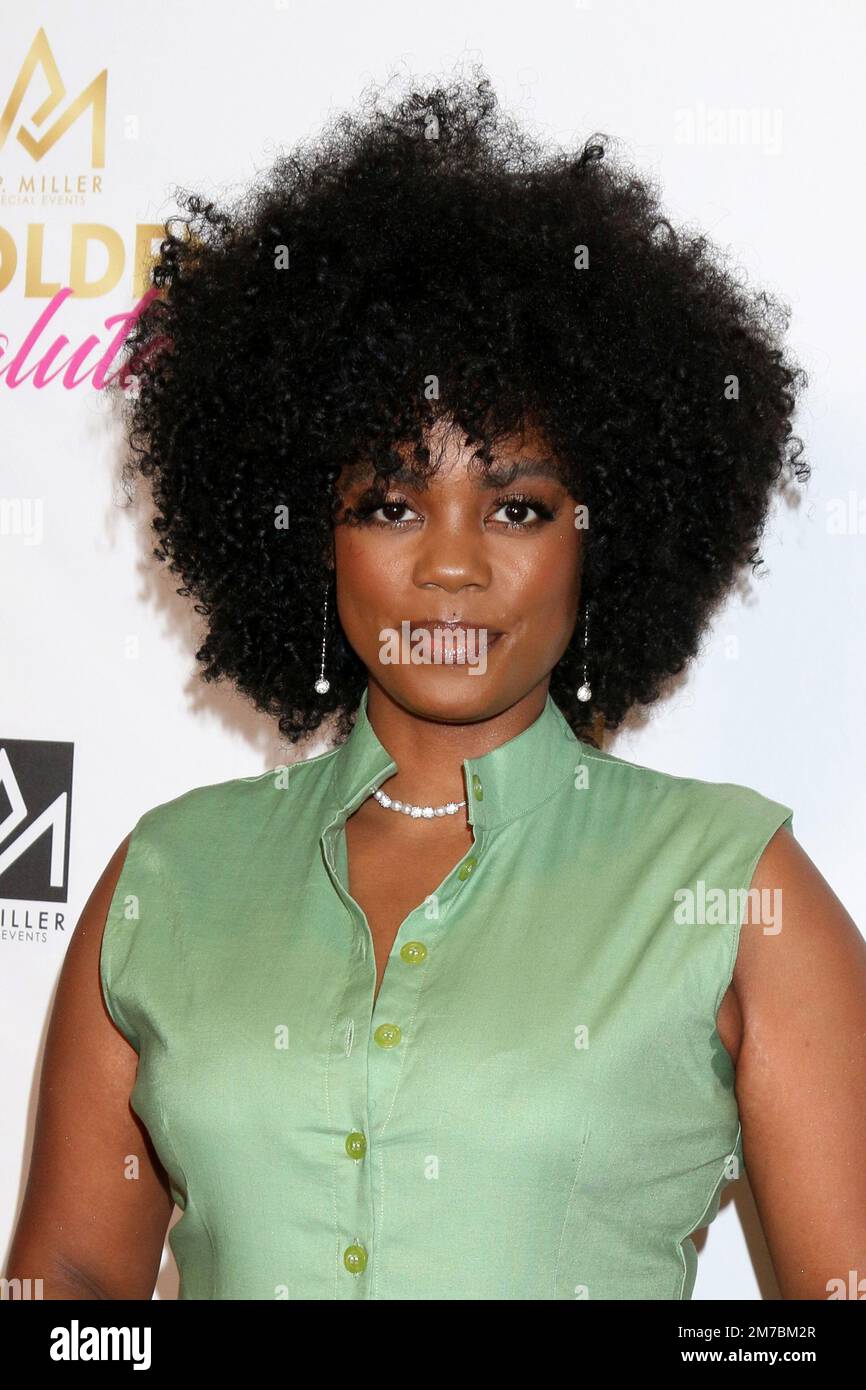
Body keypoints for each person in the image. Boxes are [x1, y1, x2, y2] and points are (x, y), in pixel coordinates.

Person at [7, 66, 866, 1301]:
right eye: (390, 503)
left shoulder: (728, 887)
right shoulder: (168, 880)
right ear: (311, 531)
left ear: (602, 537)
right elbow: (71, 1294)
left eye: (517, 506)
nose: (451, 565)